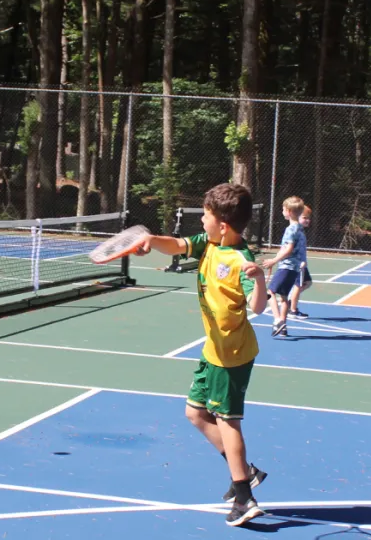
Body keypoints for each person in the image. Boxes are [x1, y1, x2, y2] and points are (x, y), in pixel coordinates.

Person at [137, 183, 270, 527]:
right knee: (195, 414)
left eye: (207, 216)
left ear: (223, 225)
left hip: (233, 355)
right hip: (212, 349)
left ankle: (244, 497)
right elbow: (177, 245)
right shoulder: (208, 244)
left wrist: (260, 281)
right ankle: (245, 471)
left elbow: (258, 307)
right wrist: (151, 241)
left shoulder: (240, 260)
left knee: (228, 421)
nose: (203, 221)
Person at [261, 196, 307, 337]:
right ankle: (284, 327)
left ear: (288, 211)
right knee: (284, 297)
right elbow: (292, 248)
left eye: (283, 209)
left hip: (286, 267)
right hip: (293, 268)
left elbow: (288, 249)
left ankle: (278, 321)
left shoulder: (290, 229)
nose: (282, 211)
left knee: (269, 293)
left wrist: (273, 261)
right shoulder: (300, 229)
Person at [287, 205, 314, 319]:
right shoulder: (295, 231)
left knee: (307, 282)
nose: (307, 220)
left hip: (301, 262)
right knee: (298, 285)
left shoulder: (301, 231)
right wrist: (299, 262)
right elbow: (290, 247)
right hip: (297, 264)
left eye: (308, 218)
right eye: (304, 217)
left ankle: (290, 298)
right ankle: (292, 310)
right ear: (296, 217)